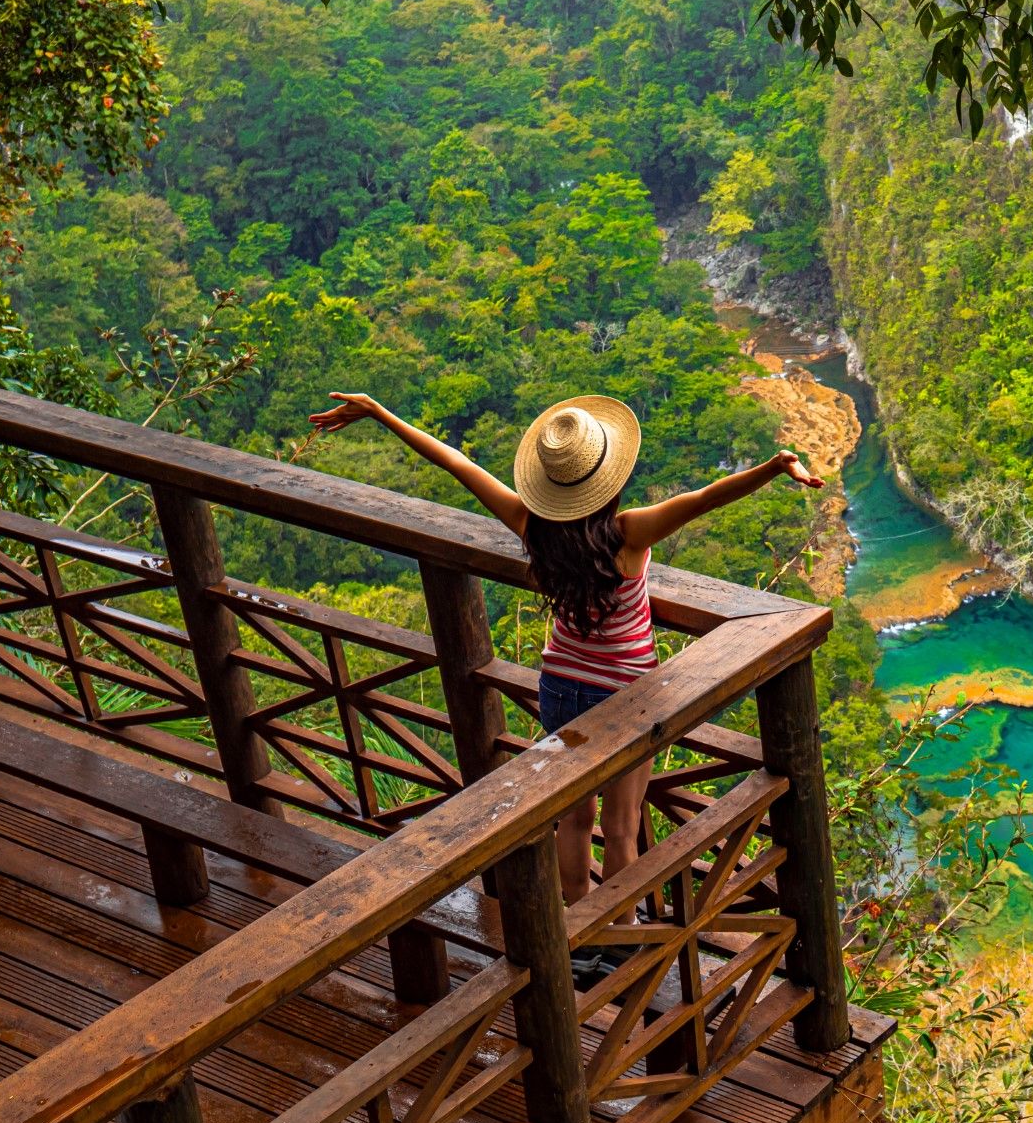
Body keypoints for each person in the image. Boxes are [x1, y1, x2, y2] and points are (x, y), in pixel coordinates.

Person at [309, 390, 821, 915]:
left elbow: (456, 462)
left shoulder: (533, 527)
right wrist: (774, 467)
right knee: (622, 828)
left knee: (573, 818)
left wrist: (380, 411)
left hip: (559, 685)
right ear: (608, 480)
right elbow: (707, 497)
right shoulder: (629, 532)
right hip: (626, 695)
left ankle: (577, 925)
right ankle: (616, 928)